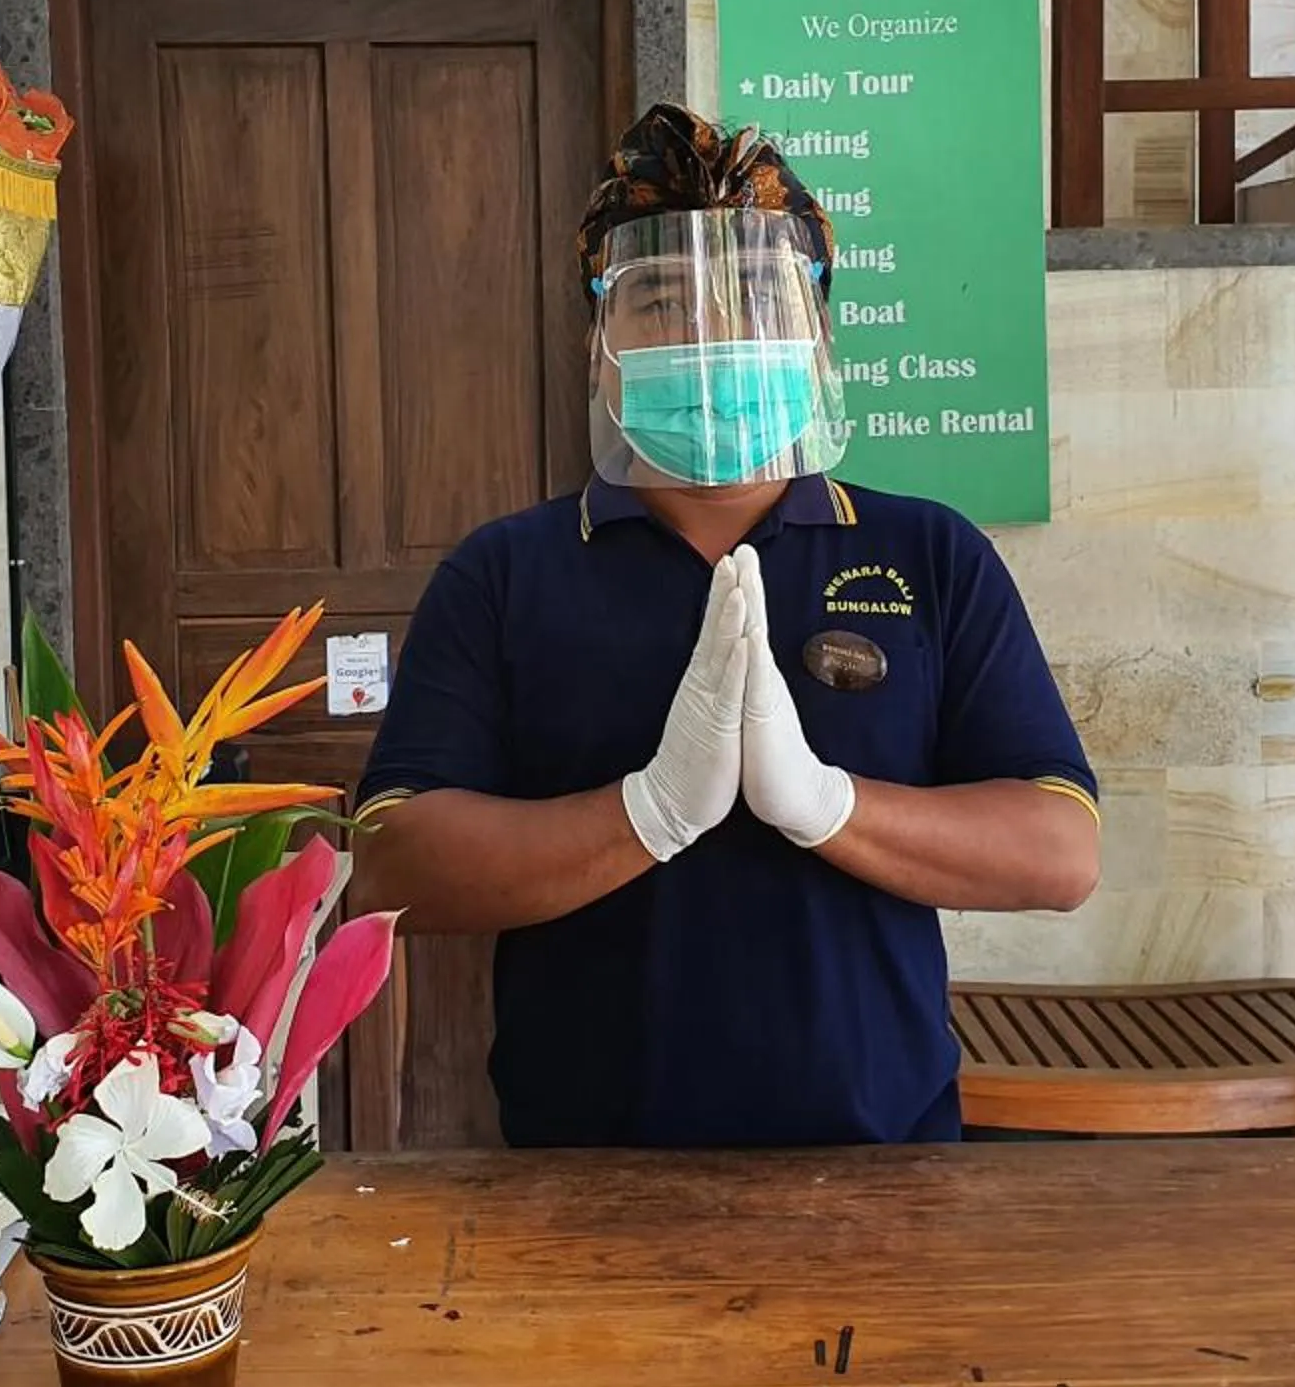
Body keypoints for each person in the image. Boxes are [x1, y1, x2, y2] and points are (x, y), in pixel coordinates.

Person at [350, 105, 1098, 1147]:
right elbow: (390, 863)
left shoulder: (930, 554)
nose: (710, 332)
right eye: (660, 299)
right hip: (580, 1177)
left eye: (756, 295)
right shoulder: (505, 573)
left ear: (818, 330)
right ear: (600, 343)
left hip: (885, 1169)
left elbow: (1059, 851)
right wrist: (647, 813)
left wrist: (828, 806)